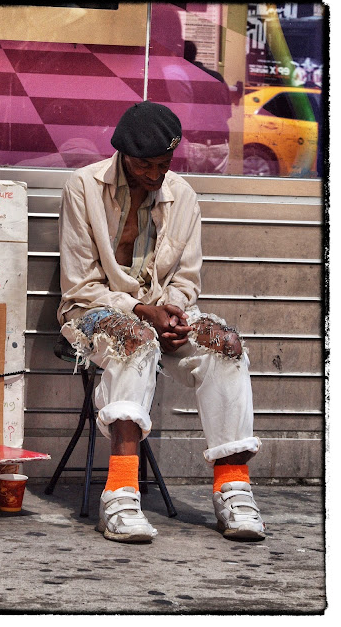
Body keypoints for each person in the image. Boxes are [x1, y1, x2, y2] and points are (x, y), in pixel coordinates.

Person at [57, 101, 265, 543]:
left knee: (225, 344)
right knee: (131, 340)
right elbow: (78, 285)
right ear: (122, 154)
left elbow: (187, 279)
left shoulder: (183, 195)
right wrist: (139, 312)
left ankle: (233, 487)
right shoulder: (83, 186)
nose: (154, 174)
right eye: (143, 164)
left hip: (159, 310)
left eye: (163, 165)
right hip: (92, 310)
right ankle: (120, 494)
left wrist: (170, 311)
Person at [182, 40, 232, 174]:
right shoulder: (217, 77)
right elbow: (227, 113)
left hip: (194, 142)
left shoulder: (181, 77)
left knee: (192, 185)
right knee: (216, 187)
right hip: (219, 142)